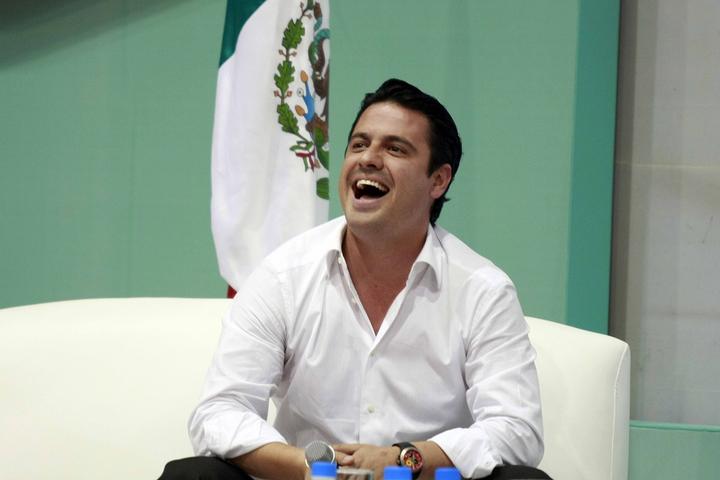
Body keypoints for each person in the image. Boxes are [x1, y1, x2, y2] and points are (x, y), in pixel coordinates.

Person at [160, 79, 550, 480]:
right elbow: (220, 411)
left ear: (438, 180)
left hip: (422, 478)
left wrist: (404, 460)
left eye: (395, 149)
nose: (369, 159)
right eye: (359, 145)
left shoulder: (482, 290)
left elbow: (517, 429)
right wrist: (310, 465)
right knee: (193, 476)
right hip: (307, 479)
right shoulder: (283, 277)